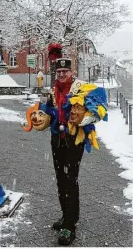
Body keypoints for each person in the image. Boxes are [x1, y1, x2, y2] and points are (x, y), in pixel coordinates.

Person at [49, 57, 107, 245]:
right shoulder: (54, 89)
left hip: (75, 140)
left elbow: (99, 107)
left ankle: (70, 225)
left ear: (72, 72)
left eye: (65, 71)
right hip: (58, 139)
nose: (62, 74)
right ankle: (66, 216)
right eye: (59, 72)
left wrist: (88, 119)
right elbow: (51, 112)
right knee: (60, 179)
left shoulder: (81, 87)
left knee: (70, 180)